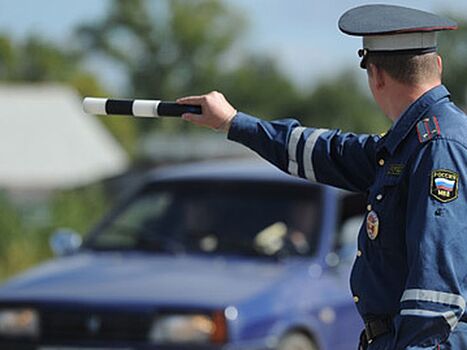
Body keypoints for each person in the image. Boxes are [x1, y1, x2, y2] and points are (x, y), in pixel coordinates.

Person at [177, 4, 467, 350]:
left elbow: (434, 292)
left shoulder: (437, 147)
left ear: (376, 76)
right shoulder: (413, 143)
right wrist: (234, 122)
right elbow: (328, 152)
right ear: (437, 65)